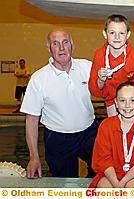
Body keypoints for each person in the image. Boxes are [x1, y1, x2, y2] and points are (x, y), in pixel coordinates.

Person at [20, 29, 98, 178]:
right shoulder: (39, 79)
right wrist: (34, 157)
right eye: (55, 43)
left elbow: (109, 90)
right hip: (58, 138)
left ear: (72, 46)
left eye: (65, 42)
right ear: (49, 48)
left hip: (89, 132)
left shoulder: (88, 67)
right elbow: (31, 120)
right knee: (65, 184)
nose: (61, 48)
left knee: (102, 170)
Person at [90, 82, 134, 199]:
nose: (127, 106)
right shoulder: (106, 125)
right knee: (104, 194)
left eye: (133, 100)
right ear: (116, 102)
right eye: (122, 101)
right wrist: (116, 183)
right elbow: (103, 159)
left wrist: (124, 181)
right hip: (110, 174)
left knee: (131, 194)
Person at [89, 14, 134, 118]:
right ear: (105, 34)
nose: (117, 37)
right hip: (111, 100)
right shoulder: (99, 55)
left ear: (128, 35)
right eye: (112, 33)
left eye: (121, 33)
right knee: (114, 128)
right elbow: (94, 90)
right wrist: (101, 80)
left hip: (132, 100)